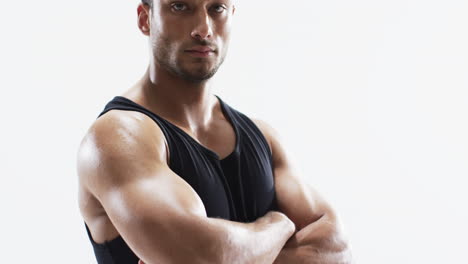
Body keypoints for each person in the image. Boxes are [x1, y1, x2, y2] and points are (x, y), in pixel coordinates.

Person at [77, 0, 352, 263]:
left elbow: (337, 248)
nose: (203, 29)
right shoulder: (116, 138)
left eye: (216, 8)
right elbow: (201, 258)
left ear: (232, 14)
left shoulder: (264, 138)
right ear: (145, 18)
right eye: (180, 6)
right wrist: (278, 225)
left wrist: (239, 254)